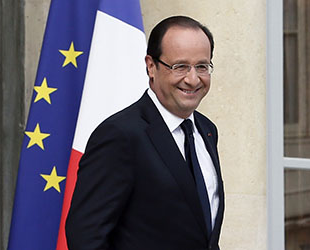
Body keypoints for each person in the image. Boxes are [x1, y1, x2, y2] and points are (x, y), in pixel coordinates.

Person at [66, 16, 224, 250]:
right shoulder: (120, 135)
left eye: (201, 66)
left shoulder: (207, 130)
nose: (193, 79)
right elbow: (85, 237)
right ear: (151, 66)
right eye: (180, 66)